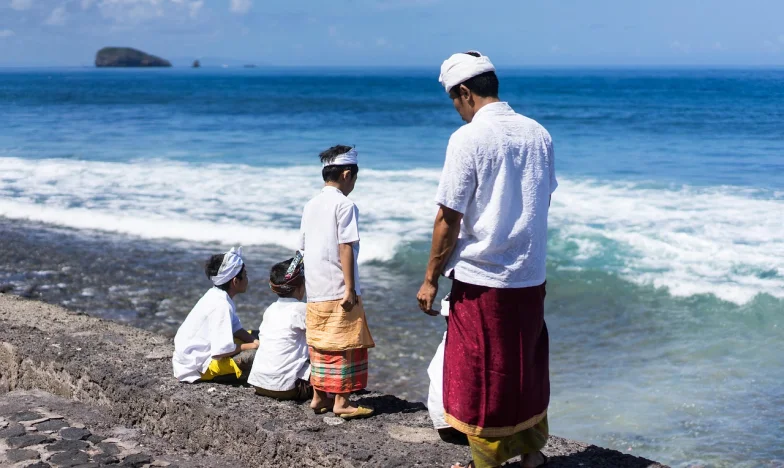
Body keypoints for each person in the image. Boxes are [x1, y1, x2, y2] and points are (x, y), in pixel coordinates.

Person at [417, 51, 557, 468]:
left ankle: (487, 462)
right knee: (524, 367)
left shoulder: (469, 138)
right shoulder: (538, 133)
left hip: (484, 278)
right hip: (530, 275)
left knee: (480, 376)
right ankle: (533, 455)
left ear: (464, 92)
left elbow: (448, 217)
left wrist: (430, 277)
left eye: (454, 101)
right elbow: (541, 198)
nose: (457, 111)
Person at [299, 145, 375, 420]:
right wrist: (350, 288)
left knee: (319, 343)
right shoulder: (345, 205)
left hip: (316, 287)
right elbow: (345, 246)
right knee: (347, 345)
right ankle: (341, 402)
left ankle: (319, 397)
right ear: (346, 174)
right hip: (338, 287)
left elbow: (303, 248)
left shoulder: (311, 205)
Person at [172, 247, 259, 383]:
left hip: (193, 356)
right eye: (245, 274)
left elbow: (236, 329)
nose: (248, 279)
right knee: (253, 356)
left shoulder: (218, 295)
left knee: (256, 335)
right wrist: (251, 346)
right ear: (235, 281)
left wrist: (255, 341)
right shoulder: (221, 304)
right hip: (196, 366)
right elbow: (221, 351)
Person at [247, 254, 313, 401]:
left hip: (259, 383)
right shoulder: (301, 309)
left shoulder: (270, 309)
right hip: (285, 388)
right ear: (301, 286)